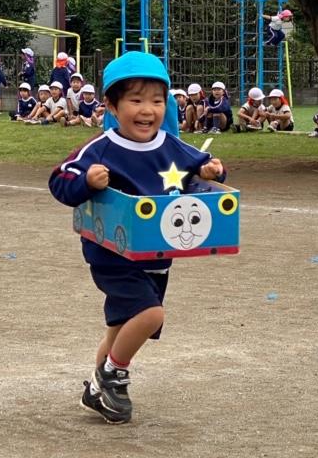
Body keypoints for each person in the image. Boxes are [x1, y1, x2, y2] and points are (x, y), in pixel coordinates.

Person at [48, 51, 226, 425]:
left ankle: (96, 389)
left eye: (157, 101)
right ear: (112, 105)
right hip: (111, 254)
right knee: (150, 314)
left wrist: (213, 170)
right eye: (136, 100)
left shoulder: (170, 145)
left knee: (120, 326)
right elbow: (60, 181)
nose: (148, 110)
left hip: (157, 256)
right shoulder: (101, 148)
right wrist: (86, 181)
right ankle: (114, 376)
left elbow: (201, 167)